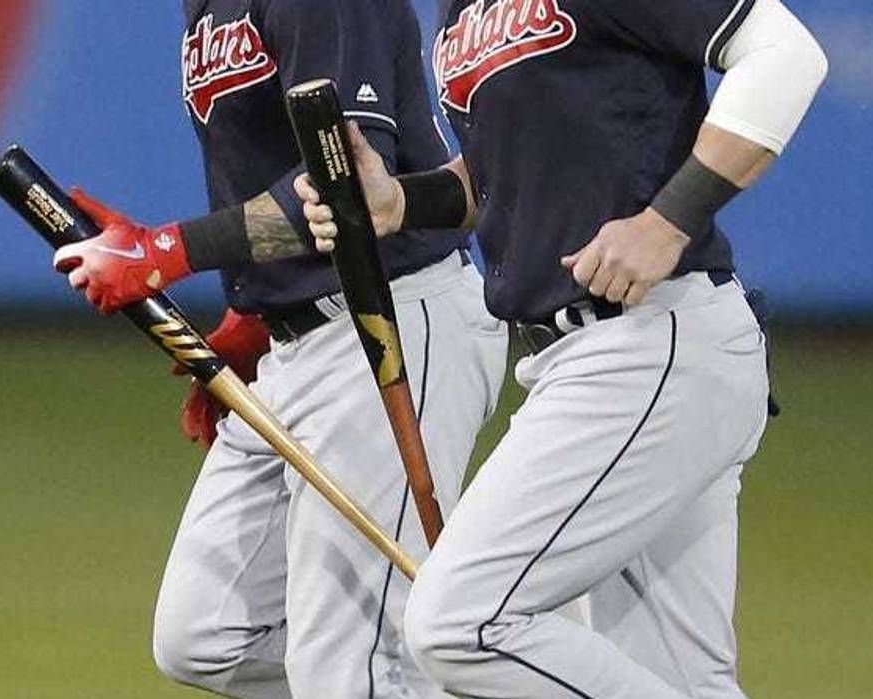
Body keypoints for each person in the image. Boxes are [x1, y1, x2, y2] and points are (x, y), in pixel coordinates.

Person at [298, 0, 827, 696]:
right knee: (674, 679)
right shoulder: (461, 12)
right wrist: (402, 201)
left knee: (460, 623)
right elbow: (507, 179)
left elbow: (786, 56)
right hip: (591, 359)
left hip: (648, 342)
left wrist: (667, 220)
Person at [50, 1, 507, 697]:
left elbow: (347, 192)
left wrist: (167, 251)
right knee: (204, 635)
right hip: (301, 343)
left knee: (351, 664)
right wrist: (253, 316)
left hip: (388, 323)